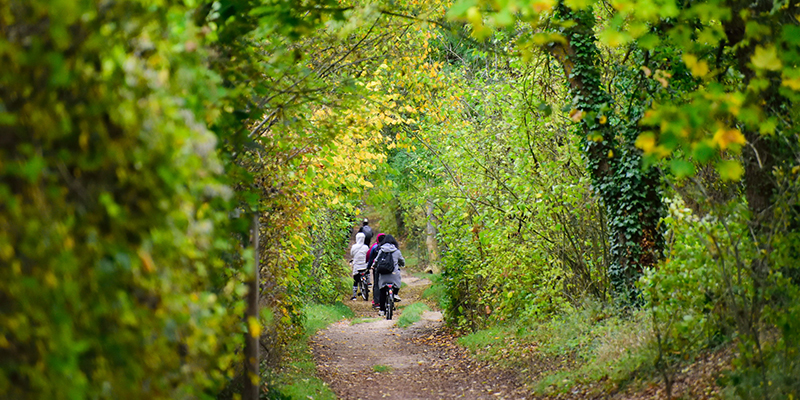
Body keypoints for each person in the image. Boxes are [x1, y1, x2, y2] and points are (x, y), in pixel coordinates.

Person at [373, 234, 404, 316]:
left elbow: (376, 261)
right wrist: (401, 264)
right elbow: (402, 261)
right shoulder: (396, 251)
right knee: (397, 281)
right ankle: (395, 294)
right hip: (394, 275)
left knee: (382, 291)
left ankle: (382, 310)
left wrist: (374, 266)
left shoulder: (381, 250)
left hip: (383, 275)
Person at [366, 233, 386, 308]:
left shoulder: (375, 247)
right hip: (387, 268)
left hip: (377, 268)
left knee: (377, 284)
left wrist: (368, 267)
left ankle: (377, 301)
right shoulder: (390, 246)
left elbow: (370, 258)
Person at [349, 232, 369, 300]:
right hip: (364, 265)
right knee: (366, 275)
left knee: (355, 280)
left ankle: (354, 295)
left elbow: (351, 254)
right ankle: (368, 284)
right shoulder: (366, 247)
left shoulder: (354, 247)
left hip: (357, 266)